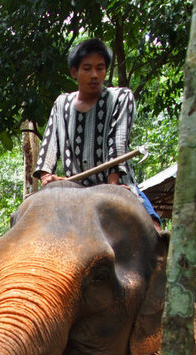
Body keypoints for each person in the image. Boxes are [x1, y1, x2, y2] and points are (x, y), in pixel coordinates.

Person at [33, 38, 160, 223]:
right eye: (87, 68)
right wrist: (46, 178)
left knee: (154, 229)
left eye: (100, 68)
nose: (94, 75)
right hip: (72, 189)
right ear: (74, 72)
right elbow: (49, 147)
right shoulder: (61, 104)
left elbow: (118, 142)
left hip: (115, 185)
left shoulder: (121, 97)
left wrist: (113, 187)